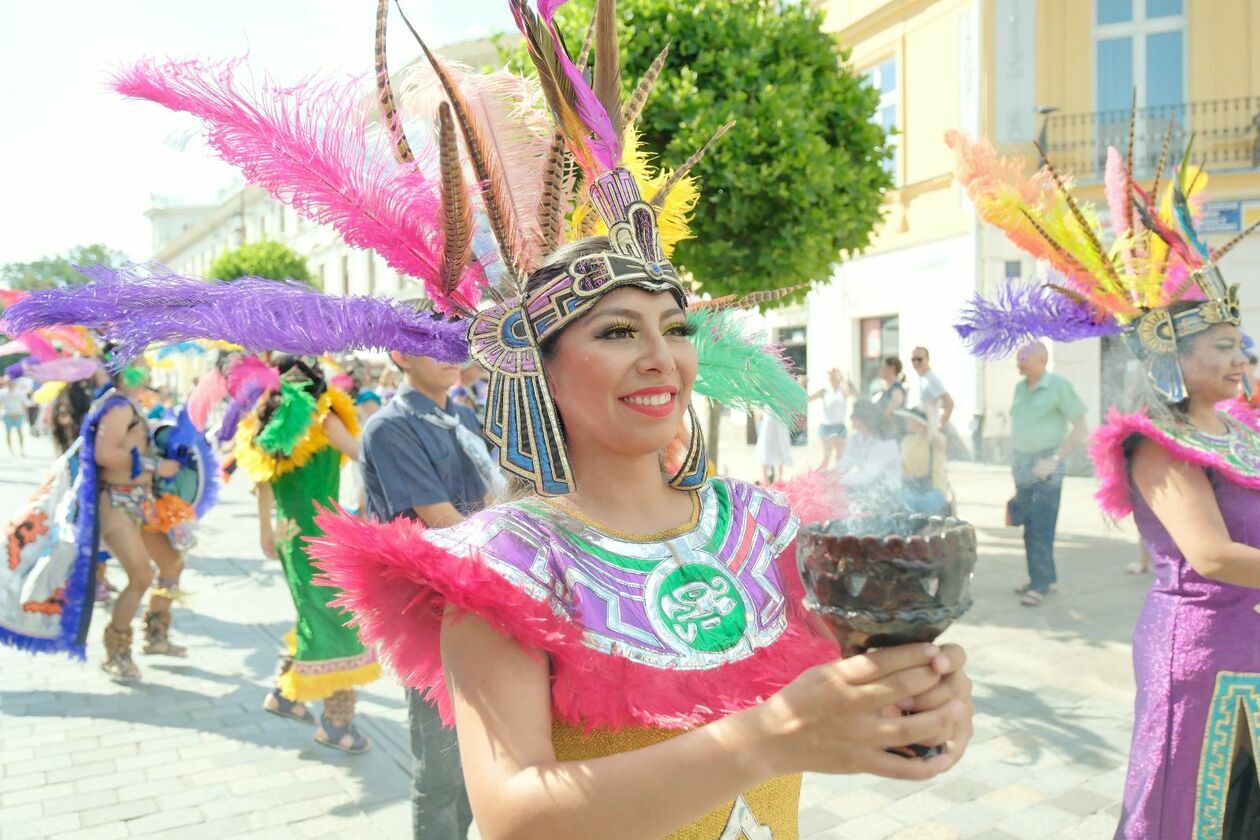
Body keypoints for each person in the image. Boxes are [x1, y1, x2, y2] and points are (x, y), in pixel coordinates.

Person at [11, 13, 973, 834]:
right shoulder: (506, 563)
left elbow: (842, 704)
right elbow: (513, 812)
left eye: (676, 329)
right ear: (540, 369)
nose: (662, 356)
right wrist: (770, 737)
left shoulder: (761, 529)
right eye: (616, 332)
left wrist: (913, 707)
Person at [952, 126, 1260, 835]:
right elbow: (1210, 556)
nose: (1239, 358)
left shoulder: (1240, 429)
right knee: (1189, 808)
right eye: (1221, 348)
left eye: (1239, 344)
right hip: (1201, 655)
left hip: (1250, 644)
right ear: (1169, 359)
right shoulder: (1158, 445)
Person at [359, 348, 493, 840]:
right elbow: (442, 521)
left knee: (482, 762)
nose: (452, 355)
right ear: (399, 355)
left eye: (456, 342)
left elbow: (491, 498)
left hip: (484, 597)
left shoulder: (460, 415)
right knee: (440, 772)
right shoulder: (390, 426)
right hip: (430, 612)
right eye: (433, 345)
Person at [239, 356, 381, 754]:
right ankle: (337, 724)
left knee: (313, 612)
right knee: (336, 623)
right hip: (321, 534)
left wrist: (265, 530)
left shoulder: (270, 419)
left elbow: (262, 482)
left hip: (291, 533)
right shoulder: (322, 416)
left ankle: (287, 696)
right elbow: (364, 458)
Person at [1008, 341, 1087, 606]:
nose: (1019, 361)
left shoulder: (1058, 386)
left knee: (1041, 524)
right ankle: (1044, 578)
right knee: (1027, 523)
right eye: (1018, 357)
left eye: (1025, 357)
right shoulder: (1020, 388)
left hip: (1046, 464)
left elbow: (1080, 428)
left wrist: (1054, 460)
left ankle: (1039, 585)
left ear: (1042, 360)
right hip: (1021, 464)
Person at [836, 400, 902, 500]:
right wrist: (828, 476)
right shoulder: (856, 438)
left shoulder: (885, 442)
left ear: (866, 420)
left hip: (888, 493)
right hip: (867, 489)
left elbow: (869, 474)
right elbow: (845, 463)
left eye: (855, 417)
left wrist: (838, 480)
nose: (851, 419)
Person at [898, 407, 949, 515]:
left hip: (934, 490)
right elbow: (902, 468)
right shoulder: (907, 440)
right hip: (911, 489)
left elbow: (933, 435)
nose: (907, 421)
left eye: (910, 419)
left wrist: (929, 408)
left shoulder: (936, 439)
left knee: (924, 507)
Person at [809, 368, 854, 469]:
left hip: (840, 428)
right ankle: (816, 481)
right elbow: (808, 399)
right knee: (825, 460)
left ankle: (838, 483)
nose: (832, 377)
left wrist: (843, 380)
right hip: (826, 428)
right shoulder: (824, 391)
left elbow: (854, 393)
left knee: (840, 460)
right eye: (830, 375)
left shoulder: (843, 391)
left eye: (834, 375)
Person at [909, 347, 954, 429]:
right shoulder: (918, 379)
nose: (916, 362)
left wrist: (940, 426)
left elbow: (949, 403)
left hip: (930, 430)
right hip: (920, 430)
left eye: (919, 359)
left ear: (927, 359)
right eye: (913, 359)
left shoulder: (931, 379)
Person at [755, 409, 793, 484]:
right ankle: (766, 479)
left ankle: (776, 479)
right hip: (769, 418)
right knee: (765, 447)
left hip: (778, 418)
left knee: (778, 447)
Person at [3, 376, 27, 455]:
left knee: (19, 432)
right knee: (8, 433)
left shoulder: (20, 392)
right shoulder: (3, 392)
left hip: (18, 414)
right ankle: (10, 451)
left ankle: (22, 450)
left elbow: (24, 404)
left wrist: (25, 415)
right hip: (7, 415)